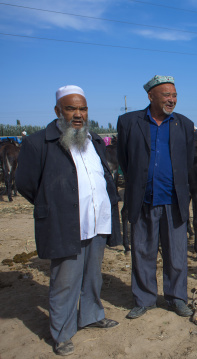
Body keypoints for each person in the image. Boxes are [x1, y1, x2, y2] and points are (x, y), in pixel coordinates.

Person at [16, 85, 121, 356]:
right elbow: (27, 185)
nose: (78, 114)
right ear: (57, 111)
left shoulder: (94, 140)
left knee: (92, 275)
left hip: (97, 222)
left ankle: (92, 315)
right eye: (71, 108)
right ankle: (62, 333)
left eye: (83, 108)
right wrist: (54, 207)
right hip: (64, 224)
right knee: (64, 281)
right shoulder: (39, 142)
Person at [117, 75, 195, 319]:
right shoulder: (129, 122)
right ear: (151, 97)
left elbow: (188, 162)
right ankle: (144, 298)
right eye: (166, 95)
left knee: (176, 253)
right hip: (142, 198)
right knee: (142, 251)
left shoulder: (185, 124)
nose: (171, 100)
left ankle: (176, 298)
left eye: (174, 95)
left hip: (174, 201)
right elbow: (123, 159)